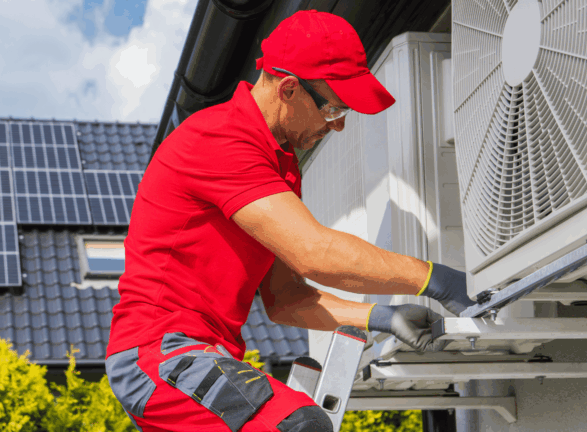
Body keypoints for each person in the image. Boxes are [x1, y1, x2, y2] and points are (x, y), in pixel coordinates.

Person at [105, 10, 476, 432]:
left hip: (199, 356)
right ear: (289, 89)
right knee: (298, 425)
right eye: (333, 109)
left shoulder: (278, 166)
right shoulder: (220, 138)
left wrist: (381, 316)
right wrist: (436, 279)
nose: (336, 127)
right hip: (162, 355)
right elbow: (314, 253)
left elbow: (287, 299)